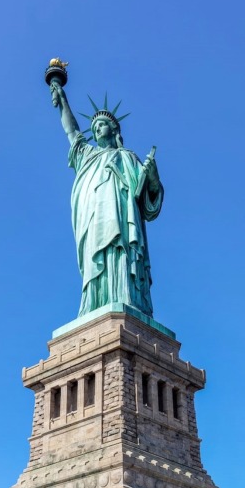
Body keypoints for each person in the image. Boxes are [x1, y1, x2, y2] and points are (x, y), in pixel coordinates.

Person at [51, 81, 163, 317]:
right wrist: (63, 101)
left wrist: (152, 179)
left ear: (114, 130)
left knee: (121, 254)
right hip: (93, 220)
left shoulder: (128, 158)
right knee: (96, 260)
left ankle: (126, 298)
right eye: (94, 126)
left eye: (101, 125)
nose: (96, 129)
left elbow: (147, 203)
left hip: (122, 219)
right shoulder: (87, 155)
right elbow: (72, 132)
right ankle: (95, 303)